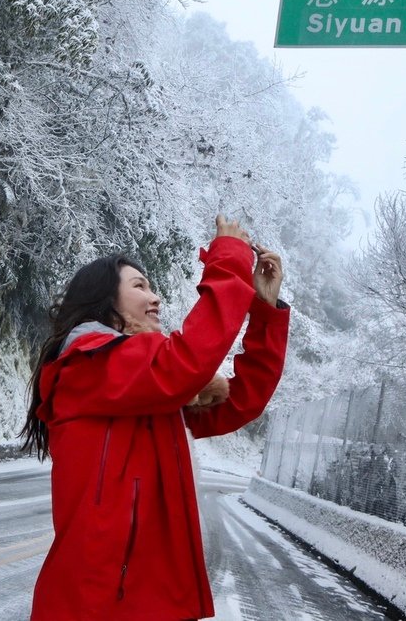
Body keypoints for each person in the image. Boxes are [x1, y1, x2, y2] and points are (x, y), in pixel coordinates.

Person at [21, 215, 290, 620]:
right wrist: (229, 260)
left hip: (152, 601)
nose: (155, 297)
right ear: (104, 300)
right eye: (139, 286)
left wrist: (264, 309)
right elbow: (184, 363)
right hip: (96, 605)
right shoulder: (86, 365)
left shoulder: (144, 389)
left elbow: (242, 401)